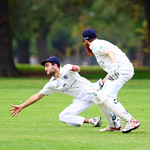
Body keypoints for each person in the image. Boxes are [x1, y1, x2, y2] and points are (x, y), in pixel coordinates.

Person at [9, 56, 120, 128]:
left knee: (106, 101)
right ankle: (92, 120)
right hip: (81, 100)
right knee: (63, 116)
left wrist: (76, 68)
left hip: (91, 91)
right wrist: (21, 106)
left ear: (55, 65)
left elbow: (76, 68)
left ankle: (123, 120)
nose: (45, 69)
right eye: (45, 67)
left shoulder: (66, 69)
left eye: (47, 66)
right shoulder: (51, 84)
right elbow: (37, 96)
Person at [82, 28, 140, 133]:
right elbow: (111, 70)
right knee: (98, 97)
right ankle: (114, 124)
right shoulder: (99, 43)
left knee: (107, 97)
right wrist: (100, 83)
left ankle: (131, 121)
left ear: (85, 41)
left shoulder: (95, 45)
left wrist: (114, 66)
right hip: (120, 70)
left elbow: (111, 53)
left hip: (122, 70)